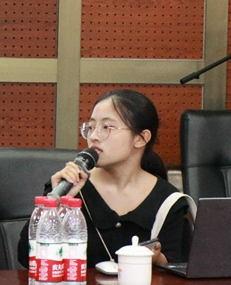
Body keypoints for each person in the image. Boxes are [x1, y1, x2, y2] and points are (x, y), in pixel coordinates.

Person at [18, 89, 189, 268]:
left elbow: (179, 267)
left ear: (140, 138)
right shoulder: (68, 186)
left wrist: (156, 259)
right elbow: (26, 258)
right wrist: (57, 205)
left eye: (107, 127)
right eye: (91, 127)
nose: (93, 137)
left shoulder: (168, 201)